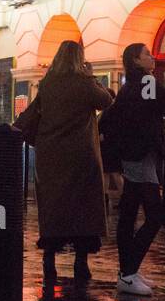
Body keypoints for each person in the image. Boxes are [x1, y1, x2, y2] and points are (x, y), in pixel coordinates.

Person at [97, 43, 165, 297]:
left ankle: (128, 273)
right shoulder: (145, 82)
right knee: (154, 216)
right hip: (141, 155)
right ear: (135, 60)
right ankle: (128, 271)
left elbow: (111, 118)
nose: (152, 57)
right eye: (147, 54)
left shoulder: (129, 87)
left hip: (133, 155)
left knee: (129, 213)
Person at [29, 40, 113, 283]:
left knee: (54, 207)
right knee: (83, 208)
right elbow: (106, 100)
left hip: (50, 154)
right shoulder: (83, 83)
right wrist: (91, 76)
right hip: (80, 155)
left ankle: (49, 260)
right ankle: (80, 262)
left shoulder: (47, 83)